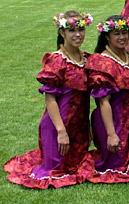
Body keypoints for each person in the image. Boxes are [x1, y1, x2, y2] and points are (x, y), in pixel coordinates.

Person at [4, 11, 94, 189]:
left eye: (81, 29)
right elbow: (50, 99)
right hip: (57, 125)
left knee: (79, 164)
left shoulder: (86, 59)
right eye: (72, 30)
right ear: (62, 33)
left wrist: (88, 126)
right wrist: (61, 132)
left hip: (79, 126)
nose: (78, 34)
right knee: (57, 169)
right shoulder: (56, 61)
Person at [87, 15, 129, 183]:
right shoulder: (102, 62)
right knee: (117, 164)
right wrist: (111, 134)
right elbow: (103, 102)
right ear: (107, 36)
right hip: (111, 120)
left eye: (125, 33)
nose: (122, 37)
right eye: (116, 34)